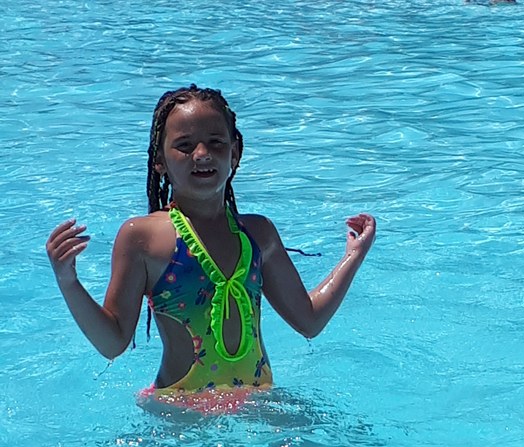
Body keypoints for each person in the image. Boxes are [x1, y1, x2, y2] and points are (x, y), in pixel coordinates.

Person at [46, 85, 376, 414]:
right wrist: (68, 281)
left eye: (216, 142)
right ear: (159, 160)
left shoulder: (258, 234)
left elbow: (309, 321)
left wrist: (353, 255)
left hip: (257, 402)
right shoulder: (144, 238)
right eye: (185, 145)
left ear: (235, 153)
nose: (202, 154)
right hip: (180, 410)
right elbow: (113, 342)